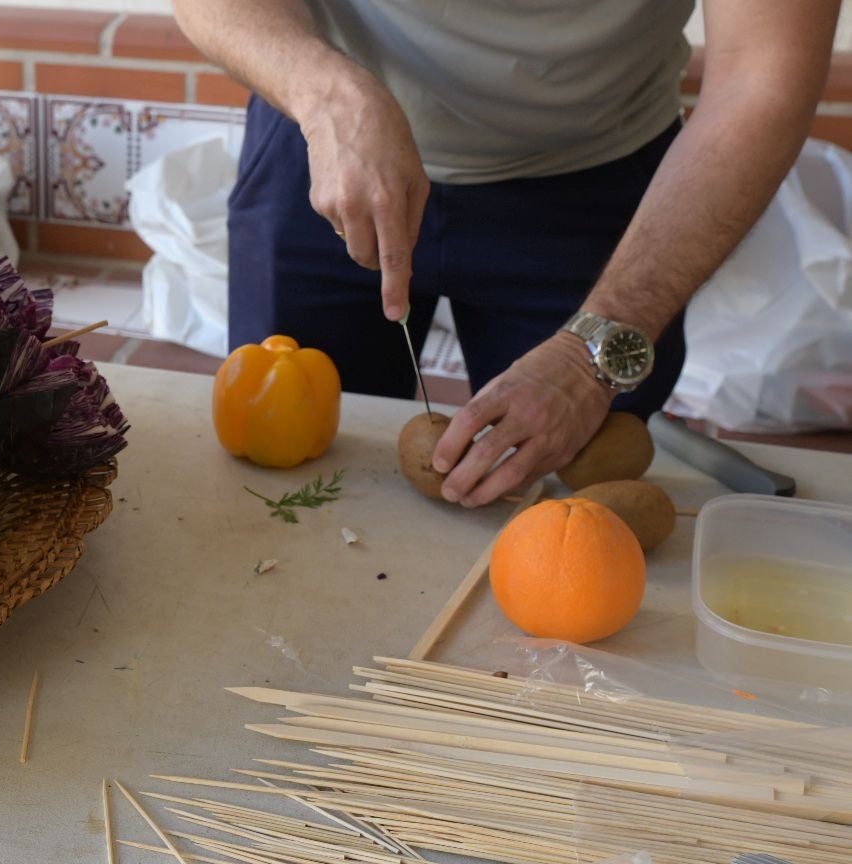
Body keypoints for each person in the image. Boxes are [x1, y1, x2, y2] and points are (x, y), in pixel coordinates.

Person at [172, 0, 839, 507]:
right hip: (327, 141)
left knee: (574, 506)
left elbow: (763, 79)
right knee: (280, 482)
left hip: (596, 178)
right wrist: (328, 96)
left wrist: (591, 354)